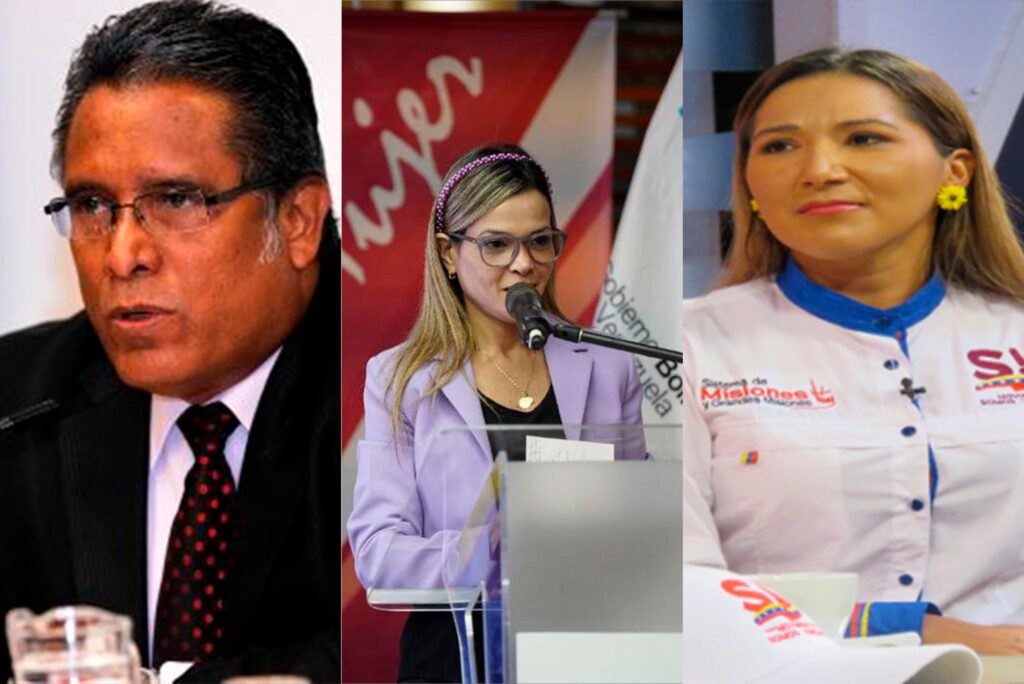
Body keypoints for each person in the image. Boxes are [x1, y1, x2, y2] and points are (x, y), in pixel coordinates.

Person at [0, 1, 339, 681]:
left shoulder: (405, 401)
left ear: (298, 220)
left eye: (178, 200)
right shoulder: (15, 405)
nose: (121, 255)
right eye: (93, 206)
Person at [683, 46, 1024, 655]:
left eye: (863, 139)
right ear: (750, 183)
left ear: (957, 171)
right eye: (779, 146)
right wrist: (911, 631)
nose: (819, 169)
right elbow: (676, 588)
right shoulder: (681, 346)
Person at [347, 143, 644, 682]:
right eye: (497, 245)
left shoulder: (610, 367)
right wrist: (485, 548)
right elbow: (377, 552)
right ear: (446, 252)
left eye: (539, 242)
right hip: (452, 661)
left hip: (582, 659)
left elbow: (638, 529)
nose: (524, 263)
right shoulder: (400, 379)